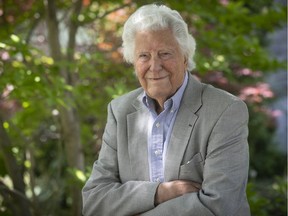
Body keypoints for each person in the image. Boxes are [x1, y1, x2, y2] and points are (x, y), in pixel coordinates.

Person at [82, 4, 250, 216]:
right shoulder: (119, 112)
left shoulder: (225, 110)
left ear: (185, 56)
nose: (154, 65)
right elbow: (94, 201)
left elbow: (220, 206)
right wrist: (160, 192)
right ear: (134, 62)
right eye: (144, 56)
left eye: (164, 53)